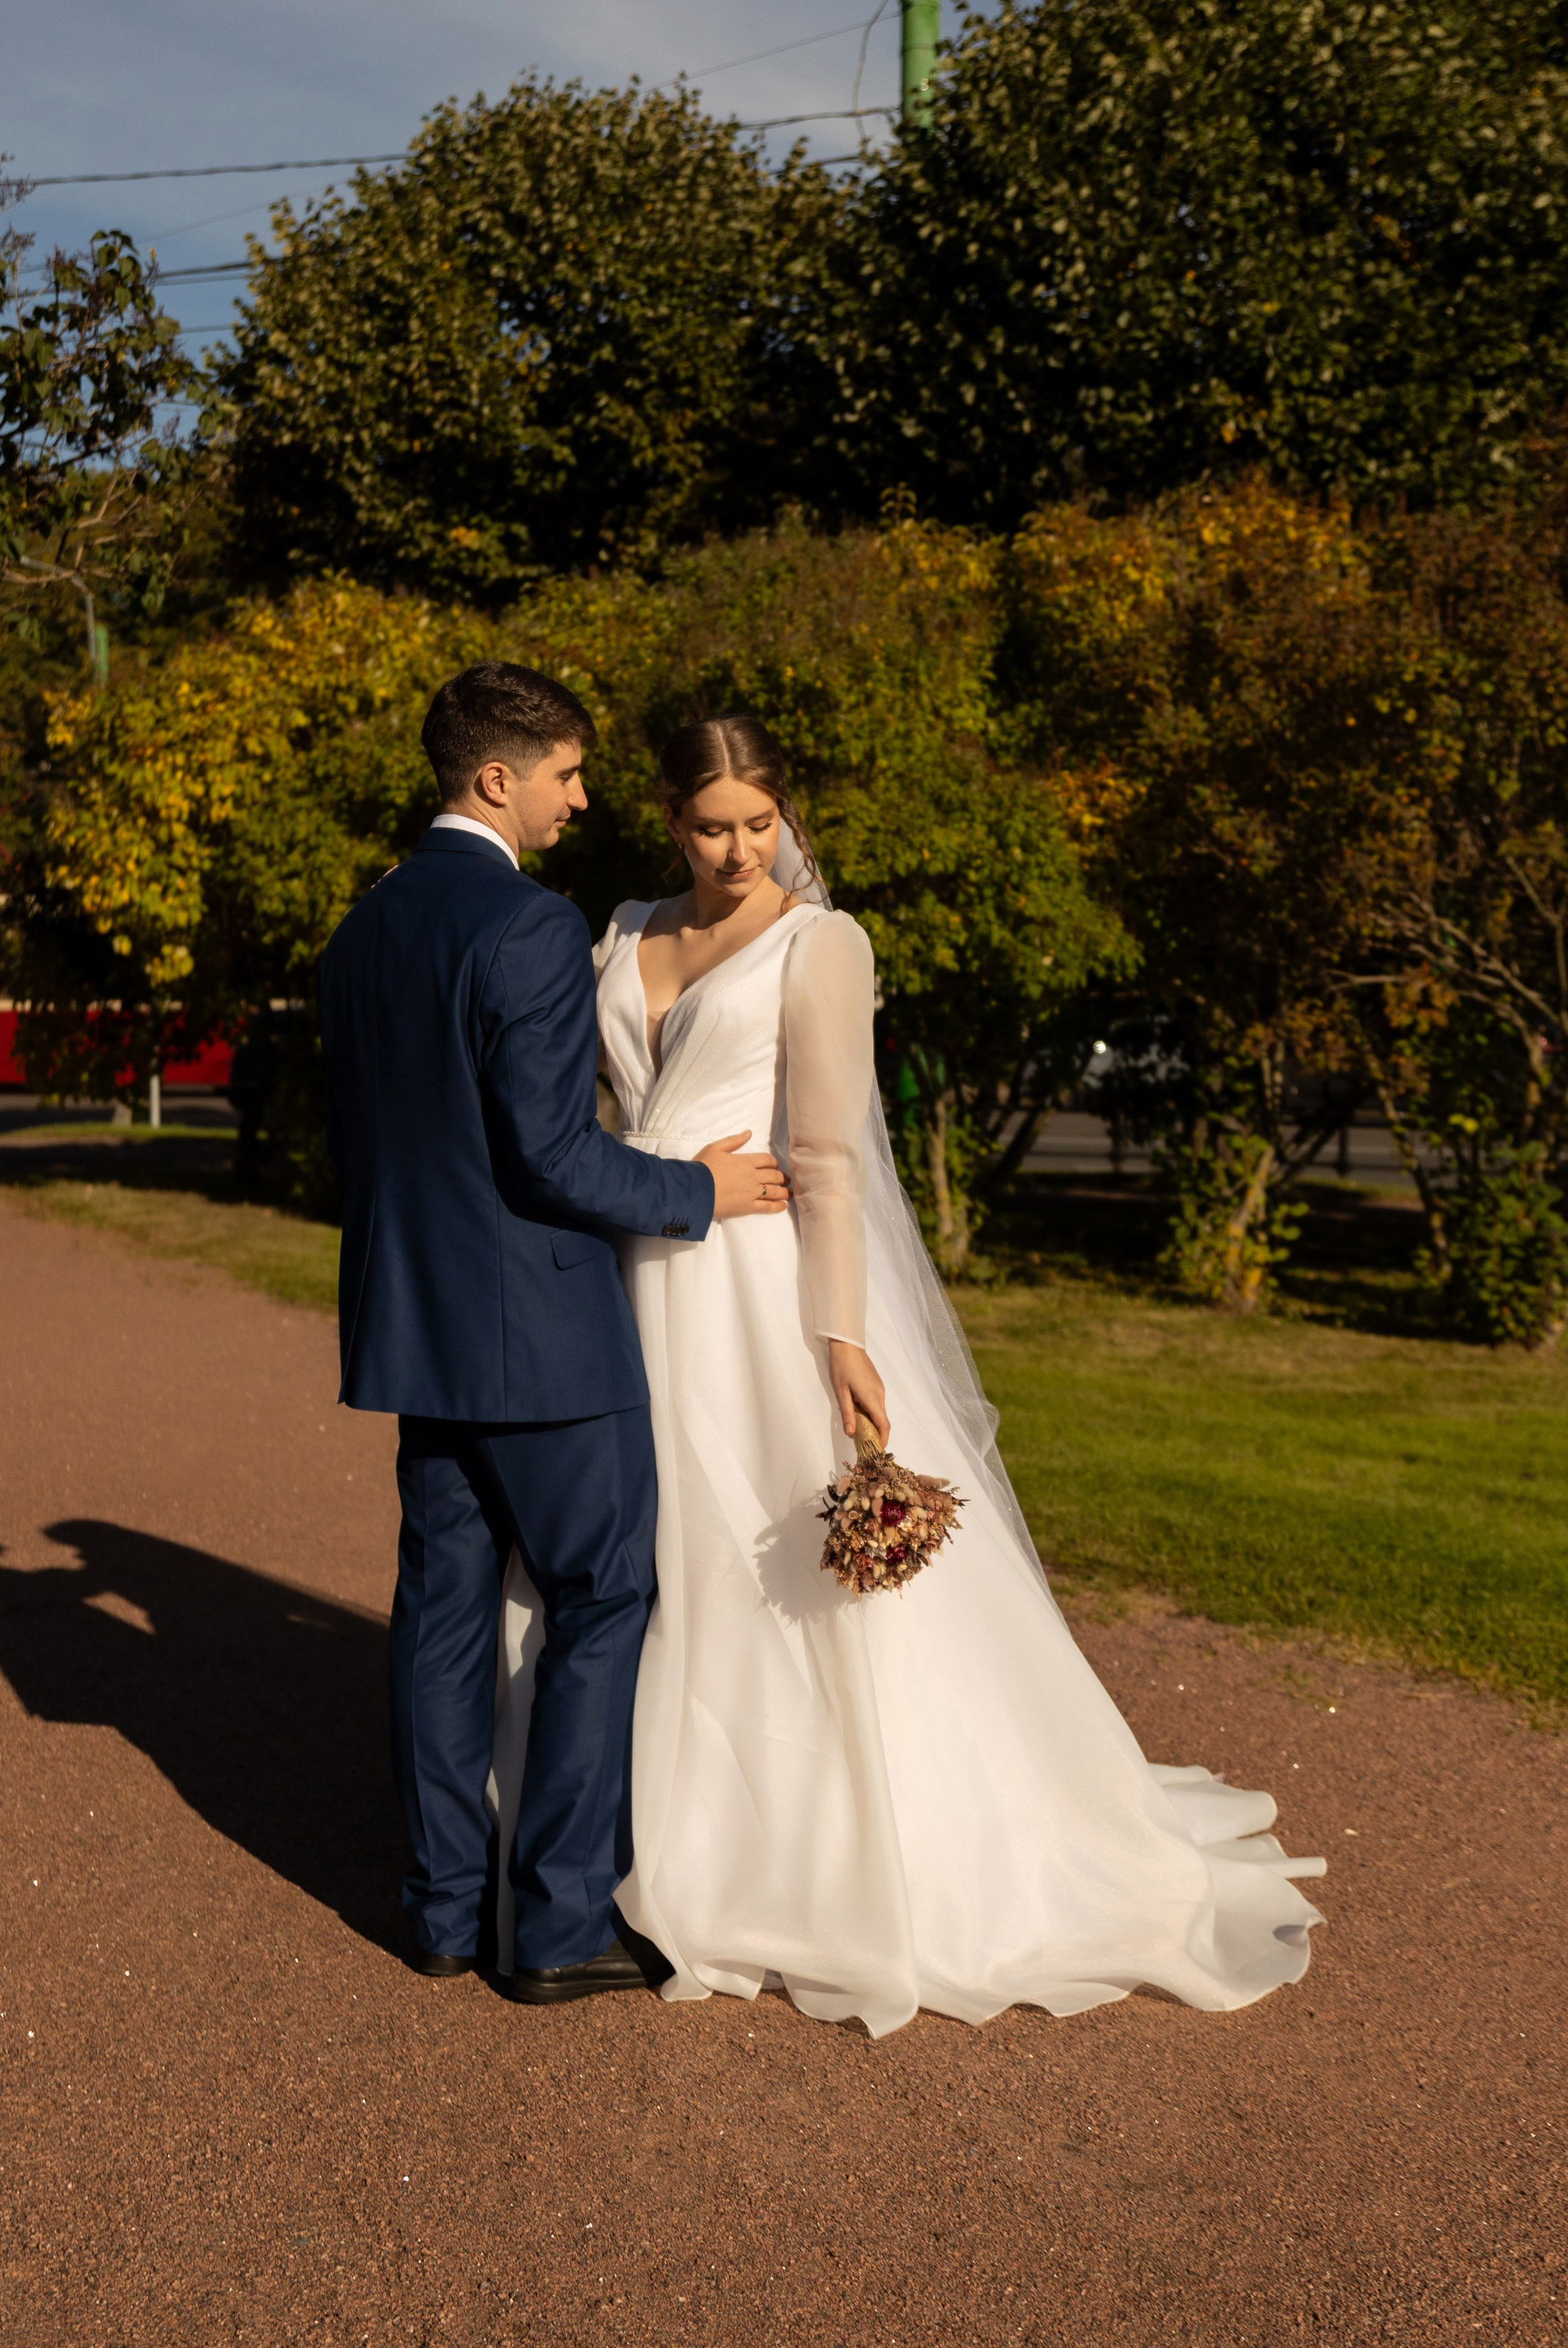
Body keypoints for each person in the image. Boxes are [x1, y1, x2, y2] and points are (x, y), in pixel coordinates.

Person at [490, 711, 1326, 2038]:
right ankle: (595, 1853)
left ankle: (791, 1854)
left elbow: (824, 1160)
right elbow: (587, 1120)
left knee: (763, 1570)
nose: (738, 851)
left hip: (751, 1292)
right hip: (624, 1278)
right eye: (712, 826)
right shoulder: (620, 925)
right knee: (624, 1566)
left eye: (759, 824)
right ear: (668, 820)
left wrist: (840, 1337)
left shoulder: (822, 944)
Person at [317, 665, 790, 2005]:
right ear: (494, 778)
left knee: (443, 1618)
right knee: (602, 1597)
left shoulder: (361, 933)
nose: (582, 797)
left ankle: (440, 1915)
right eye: (566, 773)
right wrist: (699, 1190)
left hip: (415, 1334)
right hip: (541, 1339)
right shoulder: (525, 927)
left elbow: (368, 1153)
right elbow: (547, 1159)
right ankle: (564, 1919)